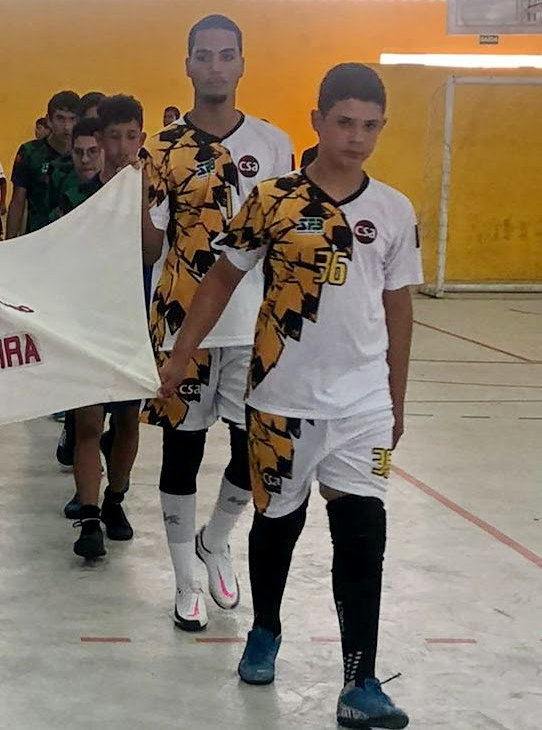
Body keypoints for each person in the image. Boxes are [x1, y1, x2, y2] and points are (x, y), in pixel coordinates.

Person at [156, 63, 418, 730]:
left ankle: (360, 681)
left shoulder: (393, 210)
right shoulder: (273, 199)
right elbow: (218, 280)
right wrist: (180, 351)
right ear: (318, 122)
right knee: (278, 524)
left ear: (381, 127)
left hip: (361, 408)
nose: (356, 138)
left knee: (364, 533)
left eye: (369, 126)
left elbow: (398, 309)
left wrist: (396, 398)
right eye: (344, 123)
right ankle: (265, 628)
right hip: (279, 398)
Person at [145, 14, 294, 632]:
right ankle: (184, 579)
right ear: (186, 64)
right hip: (183, 327)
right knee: (181, 449)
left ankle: (216, 538)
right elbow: (147, 247)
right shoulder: (161, 149)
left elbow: (283, 239)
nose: (213, 66)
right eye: (202, 55)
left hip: (255, 325)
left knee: (250, 455)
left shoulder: (274, 143)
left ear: (241, 64)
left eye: (225, 55)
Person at [50, 100, 164, 559]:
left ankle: (116, 499)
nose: (120, 147)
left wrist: (134, 196)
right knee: (88, 421)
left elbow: (149, 253)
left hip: (132, 320)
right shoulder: (79, 195)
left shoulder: (152, 194)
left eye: (130, 137)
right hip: (85, 320)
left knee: (125, 419)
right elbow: (58, 254)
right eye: (112, 137)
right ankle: (91, 516)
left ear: (141, 138)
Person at [6, 90, 81, 238]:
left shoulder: (87, 154)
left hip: (75, 239)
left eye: (72, 119)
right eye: (60, 119)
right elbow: (18, 202)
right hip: (37, 238)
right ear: (49, 120)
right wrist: (9, 243)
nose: (67, 126)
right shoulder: (29, 152)